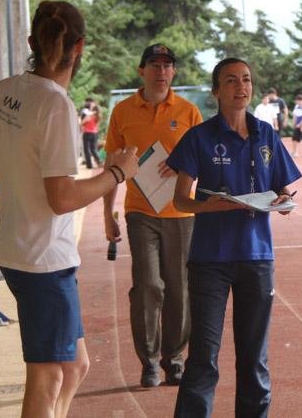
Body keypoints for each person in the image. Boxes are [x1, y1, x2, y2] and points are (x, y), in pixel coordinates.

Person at [0, 0, 139, 418]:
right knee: (48, 379)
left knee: (75, 366)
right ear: (80, 46)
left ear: (32, 42)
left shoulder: (9, 90)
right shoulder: (56, 105)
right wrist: (117, 173)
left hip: (20, 250)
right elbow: (62, 198)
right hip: (43, 260)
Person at [166, 57, 302, 417]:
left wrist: (285, 201)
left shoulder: (266, 134)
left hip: (257, 259)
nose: (240, 87)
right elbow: (180, 200)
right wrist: (211, 206)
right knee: (203, 358)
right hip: (209, 260)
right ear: (216, 91)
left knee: (254, 359)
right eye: (230, 80)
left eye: (246, 79)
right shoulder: (199, 137)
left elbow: (282, 189)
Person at [102, 43, 203, 388]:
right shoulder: (122, 111)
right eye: (154, 65)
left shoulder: (189, 112)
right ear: (141, 70)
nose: (161, 71)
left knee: (180, 288)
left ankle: (174, 359)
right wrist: (107, 213)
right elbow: (111, 163)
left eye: (167, 65)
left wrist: (182, 167)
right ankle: (149, 361)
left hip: (181, 212)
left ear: (173, 71)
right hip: (140, 212)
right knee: (148, 285)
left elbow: (203, 161)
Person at [80, 98, 102, 168]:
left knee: (87, 149)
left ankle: (89, 165)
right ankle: (99, 162)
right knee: (93, 149)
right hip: (95, 134)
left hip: (87, 133)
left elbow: (82, 122)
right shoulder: (98, 117)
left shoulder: (89, 115)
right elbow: (97, 127)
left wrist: (82, 124)